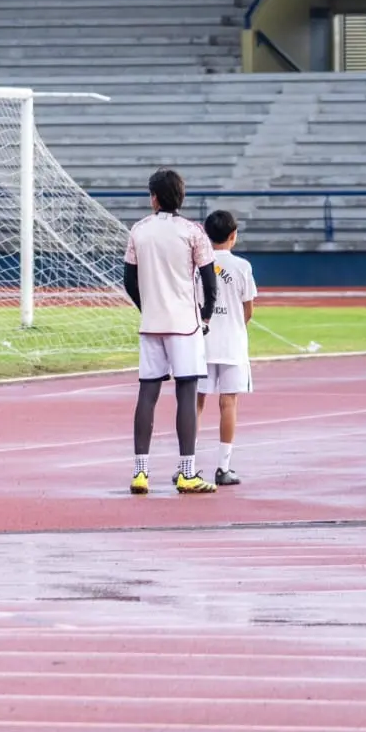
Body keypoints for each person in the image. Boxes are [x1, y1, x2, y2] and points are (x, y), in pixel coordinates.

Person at [123, 168, 217, 495]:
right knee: (187, 393)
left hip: (152, 323)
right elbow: (208, 279)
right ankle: (187, 472)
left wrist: (145, 306)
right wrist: (204, 315)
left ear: (154, 197)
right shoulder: (192, 232)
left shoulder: (139, 230)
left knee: (147, 394)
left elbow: (129, 280)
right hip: (185, 324)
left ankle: (140, 472)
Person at [195, 210, 255, 487]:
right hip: (232, 343)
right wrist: (233, 324)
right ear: (233, 236)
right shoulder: (242, 266)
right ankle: (223, 467)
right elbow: (248, 309)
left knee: (195, 403)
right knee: (228, 402)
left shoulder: (197, 265)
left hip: (202, 342)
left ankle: (187, 465)